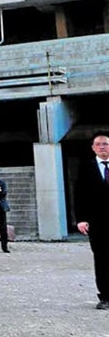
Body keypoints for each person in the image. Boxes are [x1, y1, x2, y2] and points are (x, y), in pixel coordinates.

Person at [74, 132, 109, 310]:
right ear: (93, 147)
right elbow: (79, 194)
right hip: (98, 222)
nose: (103, 147)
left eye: (106, 144)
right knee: (102, 259)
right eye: (99, 144)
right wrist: (81, 219)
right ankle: (105, 297)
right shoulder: (86, 167)